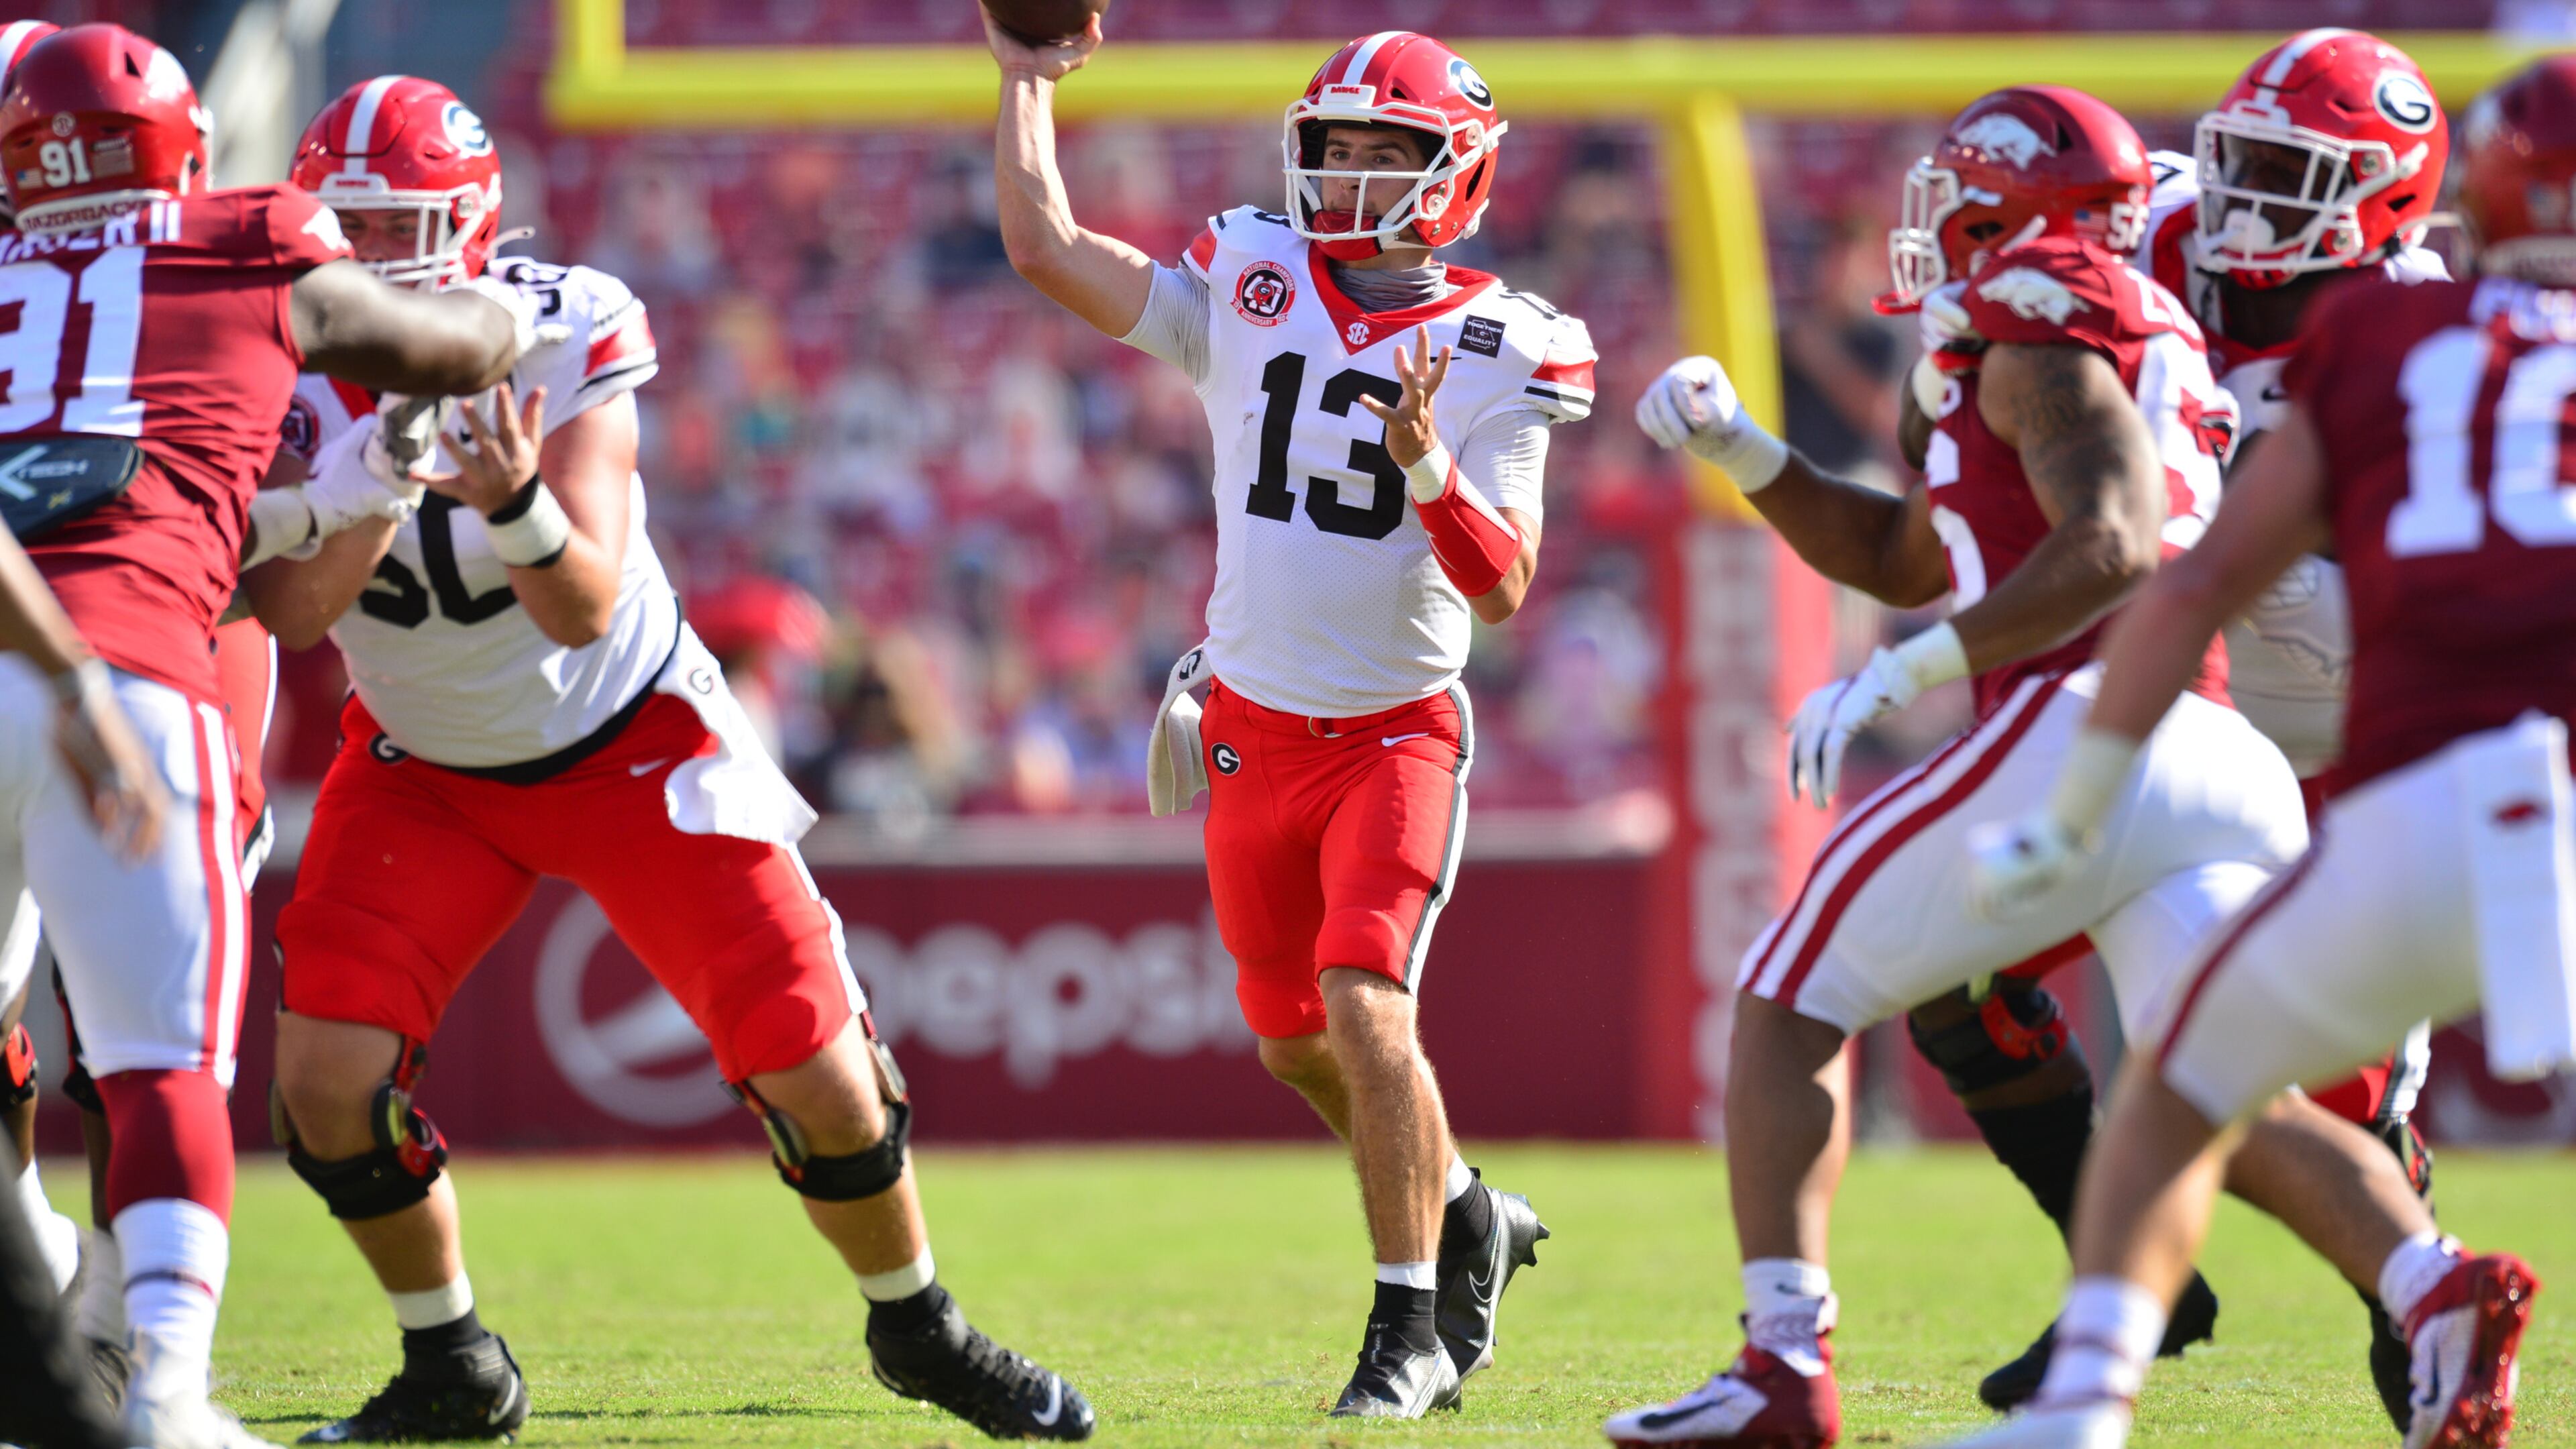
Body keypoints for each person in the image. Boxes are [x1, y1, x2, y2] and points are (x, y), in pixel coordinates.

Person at [241, 74, 1092, 1445]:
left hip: (630, 738)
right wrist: (370, 480)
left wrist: (507, 498)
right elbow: (290, 614)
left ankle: (919, 1325)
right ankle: (451, 1362)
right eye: (342, 222)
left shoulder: (558, 323)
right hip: (424, 763)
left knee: (823, 1075)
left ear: (466, 229)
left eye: (397, 226)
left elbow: (577, 602)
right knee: (325, 1094)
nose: (364, 256)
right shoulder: (273, 360)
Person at [1611, 86, 2438, 1449]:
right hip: (2217, 738)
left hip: (2110, 720)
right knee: (2212, 1081)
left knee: (1785, 993)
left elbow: (2108, 544)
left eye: (1961, 199)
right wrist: (1744, 450)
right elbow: (1915, 554)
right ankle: (2440, 1285)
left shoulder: (2041, 309)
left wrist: (1904, 669)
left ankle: (1780, 1368)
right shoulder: (2138, 321)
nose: (1932, 226)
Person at [1935, 53, 2576, 1449]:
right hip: (2219, 708)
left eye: (2294, 179)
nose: (2242, 203)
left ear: (2411, 200)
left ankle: (2411, 1325)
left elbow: (2195, 573)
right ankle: (2130, 1299)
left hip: (2359, 728)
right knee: (1957, 982)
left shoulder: (2399, 329)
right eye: (2241, 159)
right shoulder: (2147, 223)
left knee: (2309, 1099)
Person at [988, 15, 1589, 1419]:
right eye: (1339, 149)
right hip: (1254, 729)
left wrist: (1433, 463)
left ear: (1459, 172)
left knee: (1370, 1008)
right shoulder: (1252, 272)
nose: (1357, 178)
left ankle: (1409, 1332)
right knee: (1291, 1040)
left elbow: (1501, 588)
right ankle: (1469, 1213)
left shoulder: (1510, 341)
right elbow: (1048, 252)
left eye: (1392, 154)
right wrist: (1024, 85)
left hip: (1393, 735)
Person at [0, 23, 530, 1449]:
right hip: (133, 666)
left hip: (47, 630)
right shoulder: (247, 240)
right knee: (161, 1061)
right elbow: (456, 340)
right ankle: (157, 1385)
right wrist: (458, 361)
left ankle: (57, 1309)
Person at [0, 523, 156, 1449]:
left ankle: (114, 1332)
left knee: (130, 1037)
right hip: (57, 676)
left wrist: (73, 679)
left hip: (118, 663)